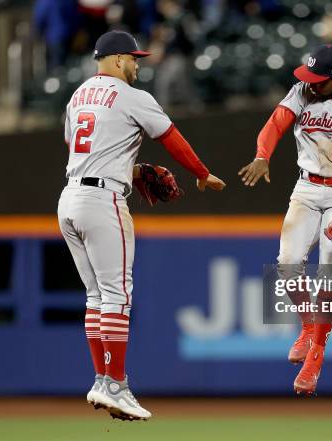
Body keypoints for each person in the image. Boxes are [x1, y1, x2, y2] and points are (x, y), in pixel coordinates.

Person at [57, 30, 225, 420]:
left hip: (69, 198)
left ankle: (102, 379)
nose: (137, 65)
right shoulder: (132, 97)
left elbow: (81, 148)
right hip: (102, 202)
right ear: (116, 60)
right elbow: (171, 138)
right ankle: (115, 384)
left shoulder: (76, 96)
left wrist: (128, 169)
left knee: (96, 296)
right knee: (118, 294)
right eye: (133, 59)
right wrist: (201, 173)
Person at [239, 45, 332, 395]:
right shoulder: (304, 90)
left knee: (329, 266)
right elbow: (275, 123)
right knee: (288, 263)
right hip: (307, 187)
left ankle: (318, 352)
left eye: (318, 79)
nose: (310, 84)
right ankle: (309, 327)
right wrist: (262, 155)